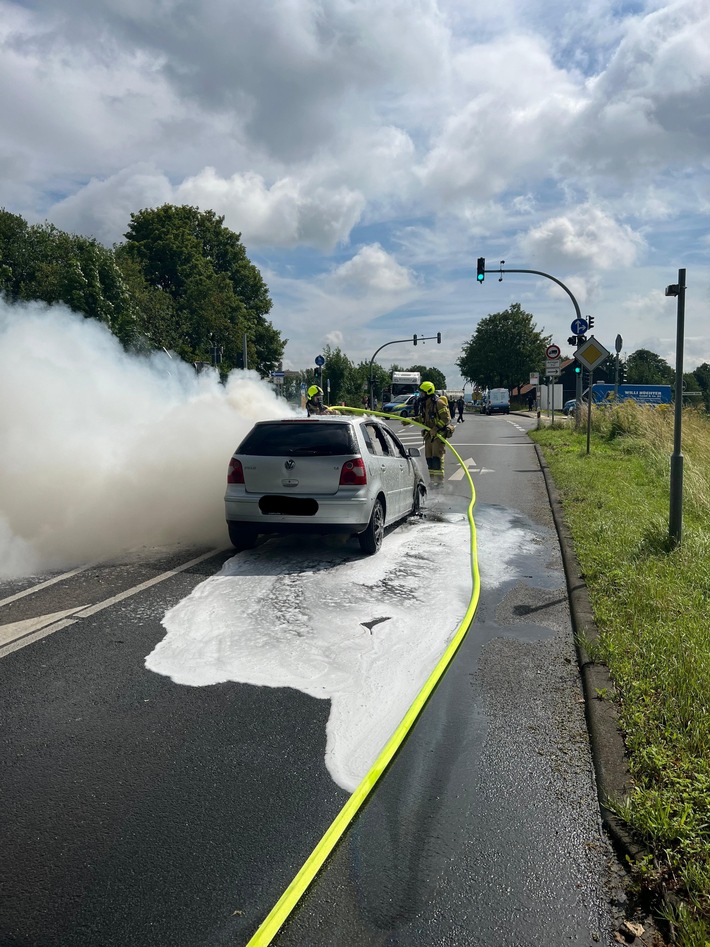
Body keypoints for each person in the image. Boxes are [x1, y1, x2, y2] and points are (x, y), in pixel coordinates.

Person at [413, 380, 451, 486]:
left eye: (422, 393)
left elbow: (446, 419)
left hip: (438, 436)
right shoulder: (426, 404)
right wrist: (411, 420)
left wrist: (436, 428)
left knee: (436, 458)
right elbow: (424, 418)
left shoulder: (439, 403)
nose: (421, 395)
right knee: (429, 459)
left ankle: (440, 481)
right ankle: (433, 480)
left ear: (428, 392)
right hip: (429, 436)